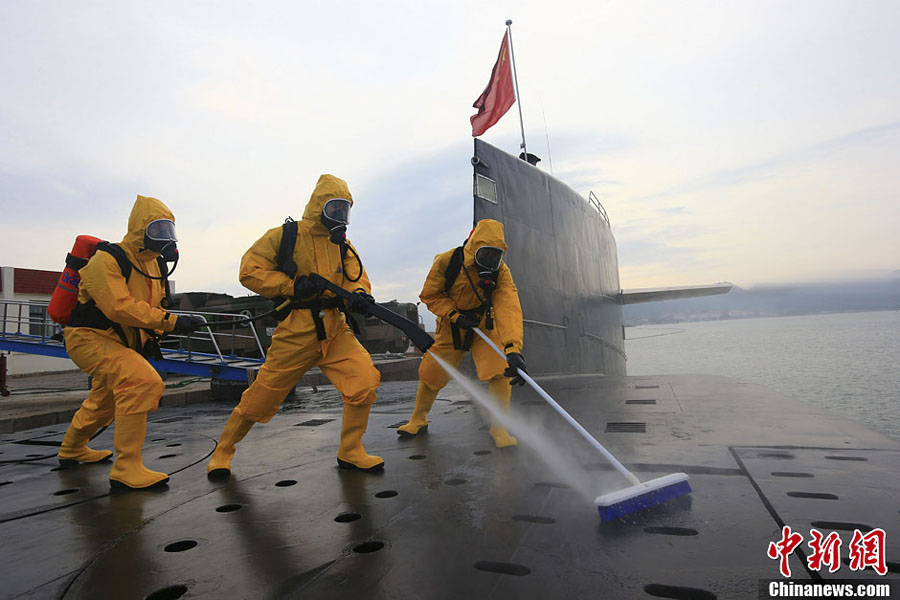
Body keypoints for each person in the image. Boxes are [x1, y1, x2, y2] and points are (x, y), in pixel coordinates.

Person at [207, 174, 383, 478]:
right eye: (334, 208)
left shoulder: (343, 244)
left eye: (344, 210)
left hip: (336, 329)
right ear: (319, 207)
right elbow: (249, 270)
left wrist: (360, 296)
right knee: (261, 397)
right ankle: (223, 452)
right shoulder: (285, 235)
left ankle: (351, 450)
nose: (340, 216)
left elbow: (357, 277)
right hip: (297, 330)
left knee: (364, 381)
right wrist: (290, 286)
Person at [58, 195, 202, 489]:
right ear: (140, 229)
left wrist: (169, 326)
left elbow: (152, 307)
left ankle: (72, 448)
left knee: (103, 402)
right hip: (89, 338)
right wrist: (172, 322)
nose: (165, 237)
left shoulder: (154, 266)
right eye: (158, 230)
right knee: (140, 381)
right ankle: (127, 468)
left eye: (168, 231)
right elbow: (118, 308)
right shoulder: (107, 260)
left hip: (119, 343)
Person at [398, 218, 527, 447]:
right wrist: (455, 316)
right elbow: (430, 295)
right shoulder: (447, 262)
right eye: (485, 255)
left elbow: (508, 308)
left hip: (484, 324)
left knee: (499, 371)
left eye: (495, 256)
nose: (489, 262)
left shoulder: (501, 272)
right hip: (452, 325)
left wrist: (513, 349)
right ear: (473, 247)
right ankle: (418, 419)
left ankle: (499, 429)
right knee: (432, 371)